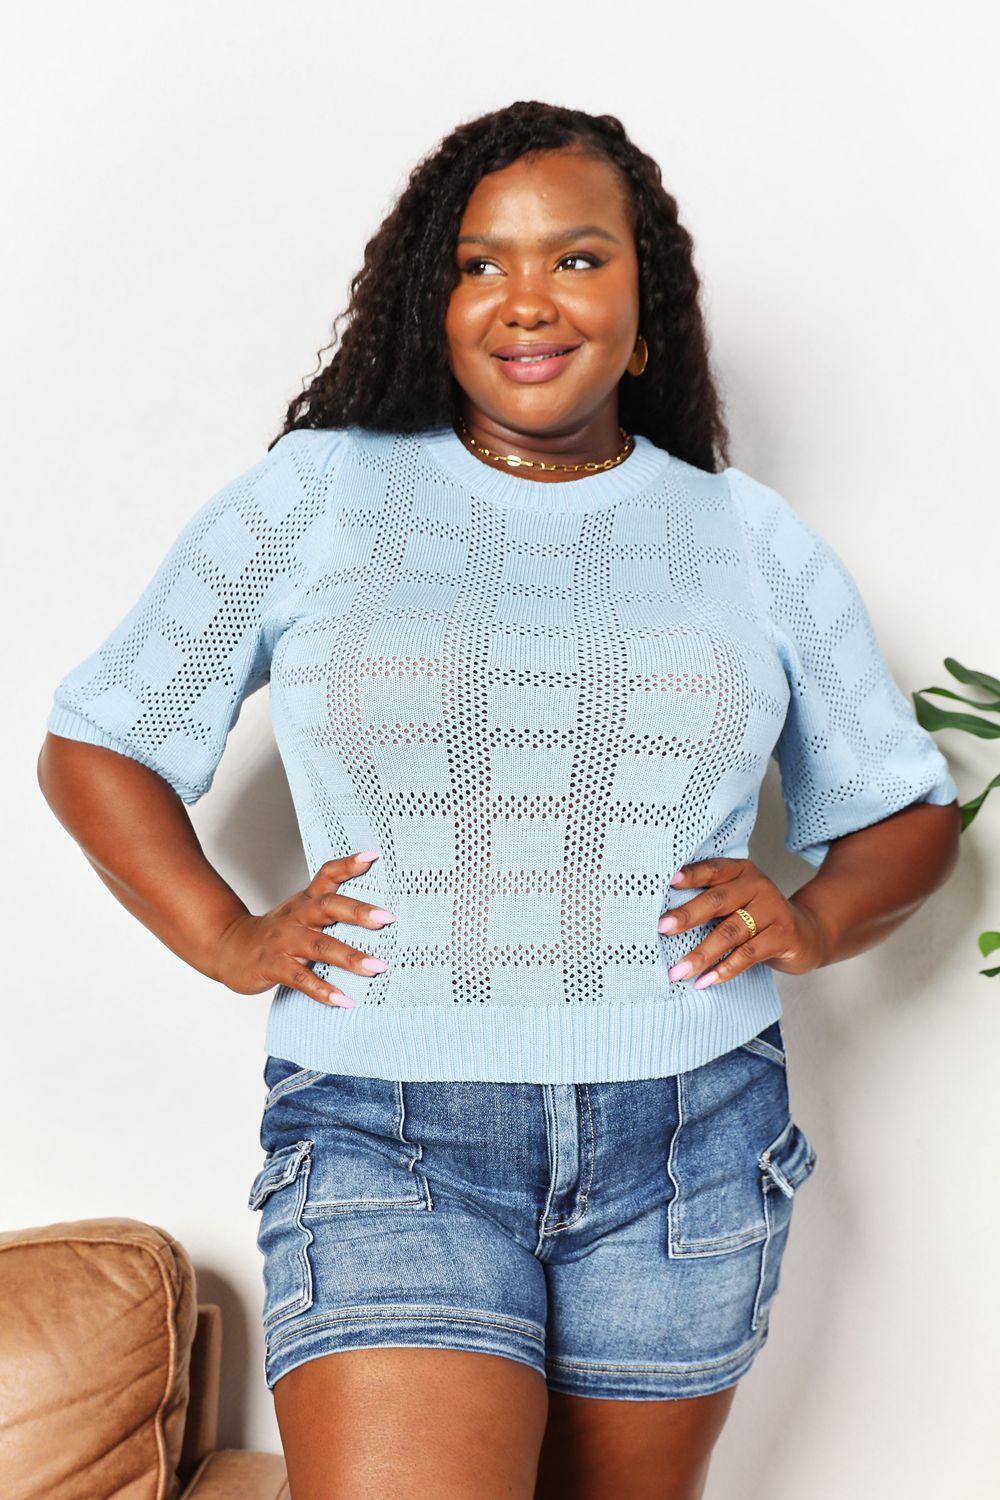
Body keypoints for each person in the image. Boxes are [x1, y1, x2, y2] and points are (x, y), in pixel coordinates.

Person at [38, 100, 960, 1500]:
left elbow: (906, 808)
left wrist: (817, 918)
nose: (527, 300)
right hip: (385, 1126)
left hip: (692, 1133)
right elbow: (101, 740)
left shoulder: (744, 536)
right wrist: (229, 938)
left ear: (645, 305)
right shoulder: (320, 497)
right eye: (481, 264)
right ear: (436, 301)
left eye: (578, 260)